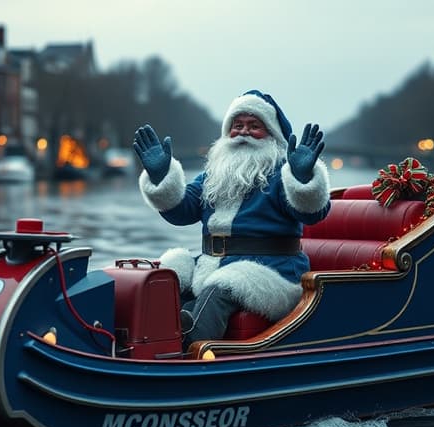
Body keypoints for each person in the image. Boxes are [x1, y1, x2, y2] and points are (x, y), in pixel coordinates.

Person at [133, 90, 330, 347]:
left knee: (221, 288)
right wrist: (161, 178)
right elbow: (182, 210)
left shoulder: (283, 175)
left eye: (254, 126)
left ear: (271, 134)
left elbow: (312, 214)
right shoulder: (213, 175)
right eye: (237, 125)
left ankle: (190, 350)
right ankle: (149, 339)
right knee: (167, 281)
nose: (244, 132)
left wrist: (302, 180)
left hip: (272, 272)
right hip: (211, 265)